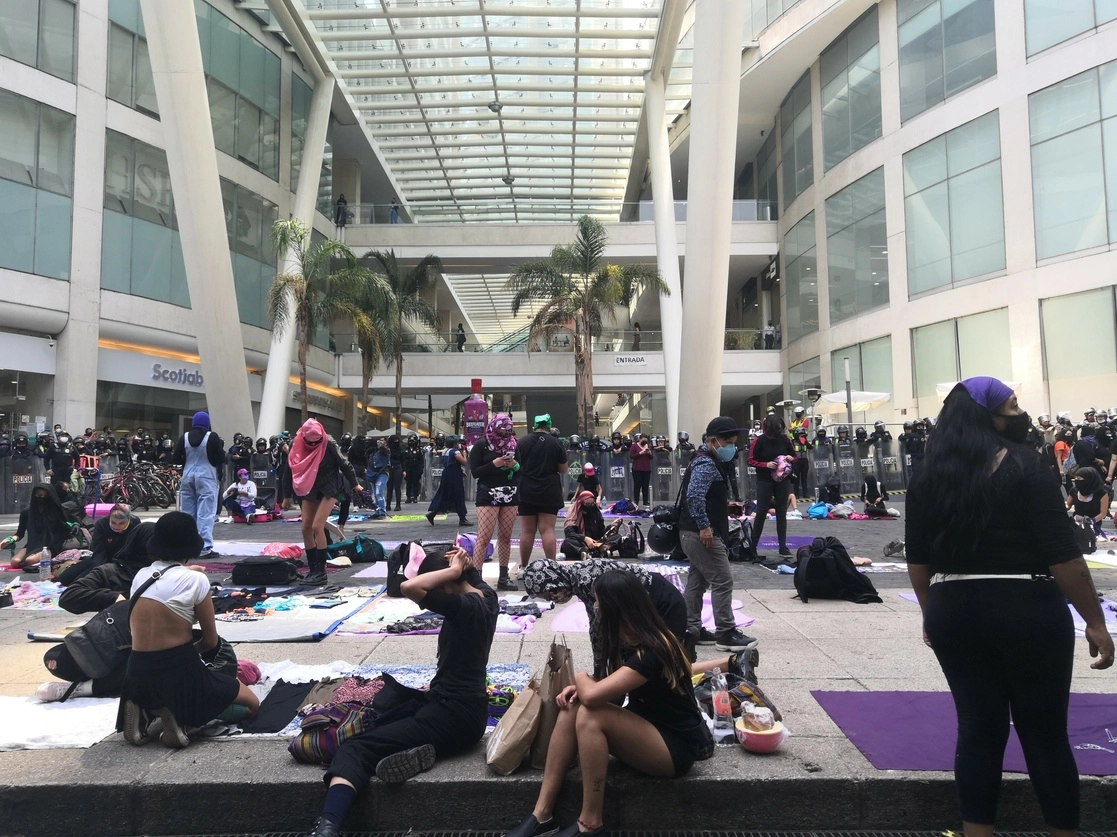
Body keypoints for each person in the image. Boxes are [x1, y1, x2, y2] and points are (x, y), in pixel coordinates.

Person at [905, 377, 1114, 837]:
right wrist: (1095, 621)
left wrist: (930, 613)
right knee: (1045, 734)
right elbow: (1064, 555)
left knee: (978, 730)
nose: (1021, 413)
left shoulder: (928, 474)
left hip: (954, 606)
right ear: (990, 415)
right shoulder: (1026, 465)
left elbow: (916, 560)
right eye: (1013, 405)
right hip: (1027, 607)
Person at [302, 547, 497, 837]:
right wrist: (462, 566)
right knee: (387, 714)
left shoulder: (464, 607)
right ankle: (414, 750)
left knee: (355, 747)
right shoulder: (487, 598)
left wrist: (453, 570)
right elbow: (468, 579)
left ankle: (327, 826)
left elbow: (408, 587)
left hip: (451, 716)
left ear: (445, 583)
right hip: (468, 713)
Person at [504, 571, 714, 837]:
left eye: (598, 601)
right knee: (573, 707)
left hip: (675, 747)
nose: (595, 607)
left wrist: (580, 678)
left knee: (591, 714)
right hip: (648, 729)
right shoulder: (629, 639)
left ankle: (590, 824)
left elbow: (593, 696)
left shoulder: (653, 649)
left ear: (617, 607)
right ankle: (542, 814)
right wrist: (584, 687)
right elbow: (604, 690)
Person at [117, 512, 259, 748]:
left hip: (136, 671)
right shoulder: (196, 581)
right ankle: (186, 724)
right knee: (251, 706)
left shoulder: (140, 576)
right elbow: (211, 641)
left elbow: (167, 582)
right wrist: (193, 650)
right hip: (179, 671)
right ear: (190, 545)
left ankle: (143, 709)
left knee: (159, 687)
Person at [678, 417, 757, 653]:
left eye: (734, 442)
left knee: (697, 581)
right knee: (722, 580)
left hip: (692, 533)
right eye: (728, 442)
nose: (732, 447)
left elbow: (703, 495)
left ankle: (690, 628)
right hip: (700, 534)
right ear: (713, 441)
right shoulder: (706, 464)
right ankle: (726, 633)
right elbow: (694, 496)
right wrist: (704, 525)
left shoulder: (706, 460)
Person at [289, 419, 361, 586]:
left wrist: (355, 484)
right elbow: (290, 467)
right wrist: (286, 495)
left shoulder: (328, 442)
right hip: (310, 485)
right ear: (304, 439)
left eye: (317, 442)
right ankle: (313, 569)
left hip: (330, 485)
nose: (314, 445)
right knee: (306, 528)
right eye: (310, 443)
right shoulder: (297, 442)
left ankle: (321, 571)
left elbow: (344, 463)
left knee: (317, 526)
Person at [468, 413, 520, 590]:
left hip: (510, 493)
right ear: (493, 427)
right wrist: (494, 464)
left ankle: (503, 577)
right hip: (488, 494)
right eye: (502, 429)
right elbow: (474, 471)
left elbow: (522, 469)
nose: (506, 433)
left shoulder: (513, 443)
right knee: (484, 537)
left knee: (505, 537)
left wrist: (514, 465)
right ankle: (477, 578)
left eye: (508, 429)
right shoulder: (482, 444)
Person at [515, 414, 568, 565]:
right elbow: (563, 469)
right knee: (547, 530)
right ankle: (551, 567)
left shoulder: (522, 442)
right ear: (549, 427)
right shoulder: (556, 443)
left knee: (527, 531)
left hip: (526, 490)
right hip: (549, 491)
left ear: (534, 426)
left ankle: (523, 567)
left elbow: (516, 465)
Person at [173, 411, 225, 559]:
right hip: (206, 476)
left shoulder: (185, 437)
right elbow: (220, 457)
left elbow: (176, 457)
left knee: (188, 513)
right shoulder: (212, 436)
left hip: (187, 476)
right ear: (207, 423)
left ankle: (188, 546)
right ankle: (204, 547)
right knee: (206, 512)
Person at [54, 503, 141, 586]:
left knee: (80, 583)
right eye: (113, 523)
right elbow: (99, 550)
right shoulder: (102, 524)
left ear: (128, 520)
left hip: (123, 563)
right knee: (65, 578)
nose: (117, 527)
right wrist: (99, 570)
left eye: (122, 523)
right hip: (102, 558)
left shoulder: (135, 524)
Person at [748, 413, 797, 558]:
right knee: (761, 512)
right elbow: (750, 460)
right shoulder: (759, 441)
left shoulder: (785, 439)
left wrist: (790, 458)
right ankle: (753, 546)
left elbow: (794, 456)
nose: (777, 433)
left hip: (783, 479)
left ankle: (783, 547)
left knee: (781, 512)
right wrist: (765, 464)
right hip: (764, 479)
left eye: (779, 429)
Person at [2, 483, 74, 570]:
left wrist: (74, 526)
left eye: (44, 495)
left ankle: (50, 558)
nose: (41, 498)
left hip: (51, 545)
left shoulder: (56, 511)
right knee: (15, 562)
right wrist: (10, 539)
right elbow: (19, 534)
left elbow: (68, 524)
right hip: (33, 544)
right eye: (38, 495)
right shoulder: (27, 512)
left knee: (30, 560)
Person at [559, 491, 608, 562]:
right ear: (581, 504)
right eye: (588, 504)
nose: (590, 506)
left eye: (592, 504)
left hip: (596, 542)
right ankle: (587, 552)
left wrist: (611, 528)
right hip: (581, 543)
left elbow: (601, 531)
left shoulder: (595, 513)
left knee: (617, 537)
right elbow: (569, 533)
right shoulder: (574, 514)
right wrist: (584, 538)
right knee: (567, 543)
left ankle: (601, 549)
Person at [1065, 466, 1110, 538]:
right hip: (1076, 522)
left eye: (1079, 478)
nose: (1077, 480)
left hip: (1093, 524)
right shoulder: (1074, 490)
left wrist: (1091, 521)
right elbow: (1068, 505)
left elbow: (1103, 513)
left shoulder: (1102, 493)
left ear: (1088, 479)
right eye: (1075, 478)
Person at [367, 438, 391, 518]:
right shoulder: (373, 453)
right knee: (375, 494)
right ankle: (377, 511)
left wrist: (381, 446)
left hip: (382, 474)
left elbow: (385, 451)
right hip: (374, 474)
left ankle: (382, 512)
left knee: (378, 493)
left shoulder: (384, 451)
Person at [628, 433, 653, 507]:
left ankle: (645, 501)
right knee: (637, 485)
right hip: (637, 469)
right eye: (643, 439)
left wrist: (649, 453)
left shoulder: (648, 446)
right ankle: (636, 500)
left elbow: (651, 457)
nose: (644, 441)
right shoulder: (634, 446)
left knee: (645, 485)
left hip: (647, 469)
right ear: (640, 439)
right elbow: (631, 456)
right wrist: (640, 453)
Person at [403, 434, 425, 503]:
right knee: (408, 483)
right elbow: (403, 460)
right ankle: (408, 497)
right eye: (410, 441)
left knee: (415, 483)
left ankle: (415, 497)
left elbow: (421, 460)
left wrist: (421, 469)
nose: (411, 443)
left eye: (413, 441)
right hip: (408, 468)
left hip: (416, 468)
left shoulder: (419, 450)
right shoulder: (406, 450)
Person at [386, 435, 404, 512]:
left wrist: (404, 470)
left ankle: (398, 505)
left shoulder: (400, 450)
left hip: (398, 467)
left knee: (397, 487)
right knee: (389, 487)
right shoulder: (387, 450)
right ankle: (388, 505)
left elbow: (403, 460)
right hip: (390, 468)